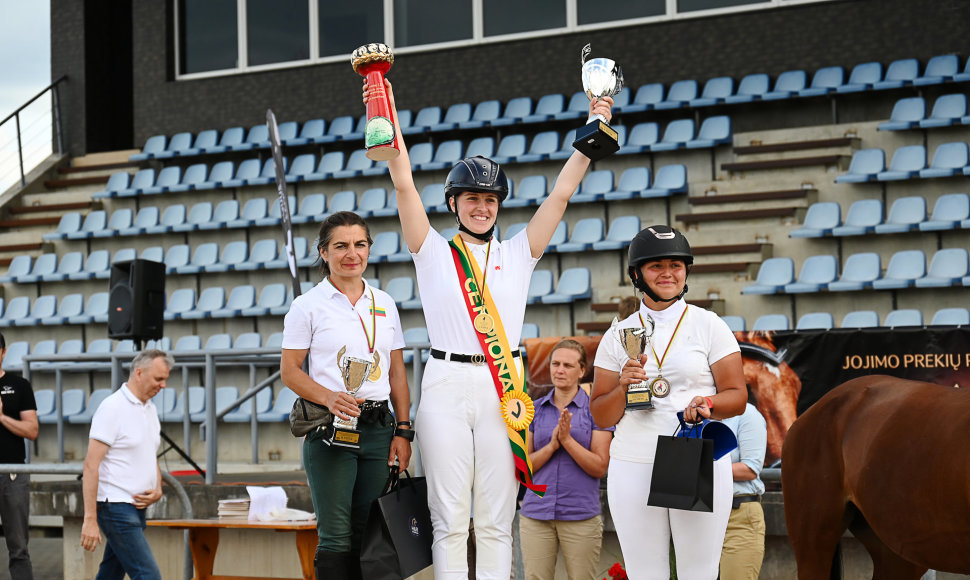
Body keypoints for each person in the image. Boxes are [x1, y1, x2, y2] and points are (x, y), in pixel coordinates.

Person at [363, 78, 613, 580]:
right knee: (450, 518)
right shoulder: (431, 250)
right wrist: (384, 114)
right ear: (454, 203)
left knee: (499, 518)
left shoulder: (519, 252)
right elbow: (404, 184)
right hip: (446, 384)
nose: (483, 207)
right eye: (472, 198)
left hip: (504, 388)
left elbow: (561, 196)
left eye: (491, 200)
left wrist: (595, 128)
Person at [590, 225, 747, 580]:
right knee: (646, 574)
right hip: (633, 461)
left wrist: (707, 402)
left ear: (686, 271)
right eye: (656, 266)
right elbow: (600, 413)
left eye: (676, 265)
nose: (668, 273)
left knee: (700, 573)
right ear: (637, 274)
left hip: (695, 456)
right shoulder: (618, 334)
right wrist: (622, 388)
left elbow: (737, 396)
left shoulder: (710, 325)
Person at [280, 211, 412, 580]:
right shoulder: (307, 305)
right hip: (331, 428)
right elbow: (289, 371)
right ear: (324, 252)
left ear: (369, 249)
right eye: (340, 246)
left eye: (359, 244)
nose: (351, 253)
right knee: (336, 536)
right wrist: (328, 396)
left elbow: (397, 372)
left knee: (369, 531)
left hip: (379, 428)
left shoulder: (385, 302)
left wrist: (403, 430)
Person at [520, 339, 612, 580]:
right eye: (555, 364)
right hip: (536, 514)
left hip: (580, 515)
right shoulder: (534, 409)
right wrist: (552, 446)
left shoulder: (596, 410)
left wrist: (567, 441)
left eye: (568, 366)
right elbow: (523, 470)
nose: (559, 370)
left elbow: (600, 467)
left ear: (582, 371)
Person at [80, 349, 172, 580]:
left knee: (110, 573)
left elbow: (149, 454)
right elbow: (91, 465)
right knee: (149, 576)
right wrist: (89, 519)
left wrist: (158, 487)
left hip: (135, 506)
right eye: (159, 379)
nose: (163, 386)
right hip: (115, 506)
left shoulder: (149, 408)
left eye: (165, 380)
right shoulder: (112, 408)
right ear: (139, 373)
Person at [0, 332, 38, 580]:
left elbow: (32, 430)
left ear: (3, 352)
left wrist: (1, 417)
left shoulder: (20, 385)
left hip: (12, 474)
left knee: (18, 547)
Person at [719, 402, 768, 580]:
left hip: (738, 517)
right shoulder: (691, 415)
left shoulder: (746, 414)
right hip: (698, 517)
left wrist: (699, 467)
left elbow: (750, 469)